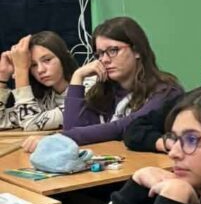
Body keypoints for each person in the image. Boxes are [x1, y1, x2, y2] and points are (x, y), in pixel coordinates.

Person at [45, 17, 183, 149]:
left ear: (137, 51)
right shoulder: (103, 93)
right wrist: (78, 76)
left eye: (113, 50)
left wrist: (58, 138)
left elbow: (122, 127)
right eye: (100, 54)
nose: (104, 59)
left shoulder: (166, 92)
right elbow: (73, 130)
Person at [0, 32, 76, 131]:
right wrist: (2, 77)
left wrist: (21, 70)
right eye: (33, 65)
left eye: (47, 60)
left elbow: (31, 124)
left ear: (64, 57)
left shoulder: (87, 89)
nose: (40, 70)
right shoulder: (44, 101)